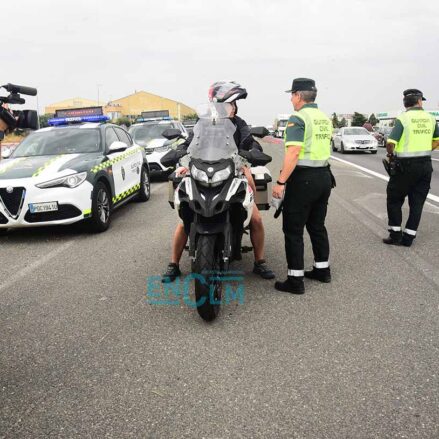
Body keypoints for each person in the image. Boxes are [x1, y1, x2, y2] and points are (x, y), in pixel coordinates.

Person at [162, 81, 275, 282]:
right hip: (202, 168)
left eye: (232, 105)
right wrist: (182, 157)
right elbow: (190, 143)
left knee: (256, 218)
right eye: (228, 105)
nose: (231, 108)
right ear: (217, 105)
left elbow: (250, 143)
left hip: (234, 168)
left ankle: (260, 261)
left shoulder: (239, 124)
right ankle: (174, 264)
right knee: (183, 219)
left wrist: (252, 153)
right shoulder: (202, 123)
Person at [272, 78, 333, 295]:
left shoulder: (298, 118)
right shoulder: (324, 118)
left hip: (303, 180)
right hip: (324, 176)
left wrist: (280, 182)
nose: (290, 99)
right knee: (317, 226)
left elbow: (294, 152)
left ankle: (295, 281)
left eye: (292, 95)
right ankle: (322, 270)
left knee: (293, 230)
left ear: (298, 95)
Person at [383, 89, 439, 246]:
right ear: (420, 101)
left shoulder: (403, 118)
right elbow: (437, 141)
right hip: (425, 165)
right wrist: (425, 150)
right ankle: (408, 238)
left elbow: (390, 143)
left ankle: (395, 235)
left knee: (394, 199)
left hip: (405, 166)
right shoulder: (430, 118)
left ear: (405, 102)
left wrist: (391, 155)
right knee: (417, 203)